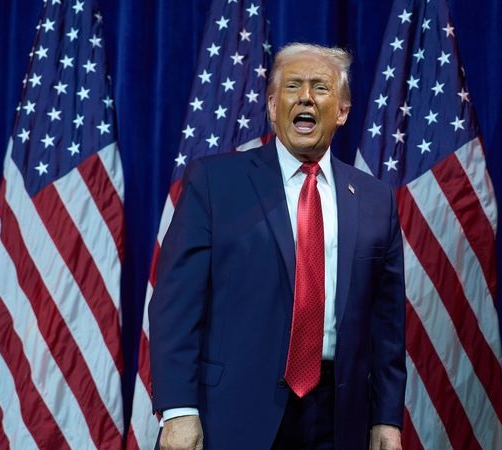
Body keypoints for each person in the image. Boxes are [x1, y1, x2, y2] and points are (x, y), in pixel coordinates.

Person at [149, 43, 406, 450]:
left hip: (339, 418)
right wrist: (179, 409)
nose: (305, 97)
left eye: (320, 87)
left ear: (342, 111)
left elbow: (387, 326)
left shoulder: (375, 199)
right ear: (272, 105)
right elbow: (175, 307)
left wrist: (386, 419)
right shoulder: (215, 183)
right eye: (292, 86)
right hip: (233, 413)